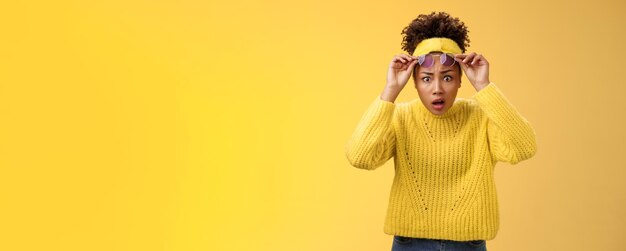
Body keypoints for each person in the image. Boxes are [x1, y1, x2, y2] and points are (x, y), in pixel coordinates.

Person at [344, 11, 537, 251]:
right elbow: (359, 157)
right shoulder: (400, 117)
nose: (437, 89)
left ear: (460, 80)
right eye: (426, 79)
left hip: (468, 244)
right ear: (413, 81)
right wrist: (390, 91)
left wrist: (484, 87)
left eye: (447, 77)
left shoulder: (482, 116)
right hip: (410, 243)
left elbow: (524, 148)